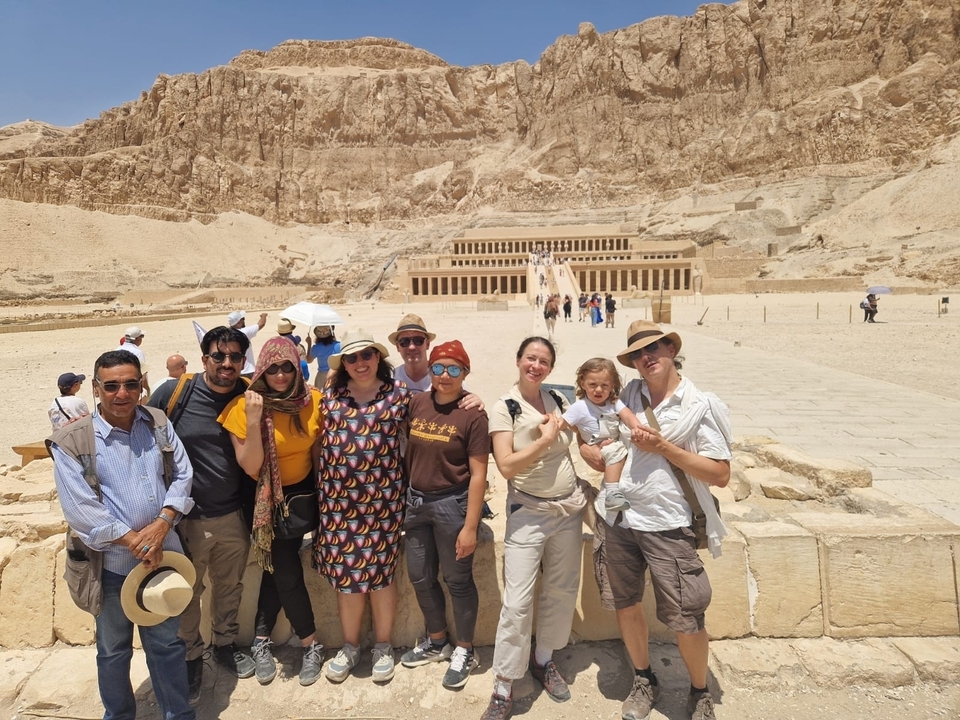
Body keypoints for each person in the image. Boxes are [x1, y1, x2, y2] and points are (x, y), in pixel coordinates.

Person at [582, 320, 731, 720]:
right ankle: (644, 678)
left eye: (653, 349)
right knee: (626, 603)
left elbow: (720, 474)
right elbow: (592, 421)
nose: (646, 358)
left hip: (667, 521)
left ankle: (699, 691)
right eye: (637, 354)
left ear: (671, 350)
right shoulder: (628, 394)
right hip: (618, 519)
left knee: (687, 616)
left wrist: (665, 447)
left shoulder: (699, 405)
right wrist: (585, 449)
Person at [50, 349, 196, 720]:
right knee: (113, 650)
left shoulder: (157, 422)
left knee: (167, 646)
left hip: (162, 560)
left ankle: (178, 715)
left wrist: (163, 523)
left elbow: (182, 474)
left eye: (131, 384)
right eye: (111, 385)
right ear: (95, 388)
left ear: (141, 386)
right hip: (111, 567)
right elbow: (81, 510)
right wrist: (138, 541)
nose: (122, 393)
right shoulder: (73, 441)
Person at [148, 327, 256, 703]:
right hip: (185, 519)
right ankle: (192, 656)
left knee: (230, 586)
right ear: (204, 358)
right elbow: (140, 437)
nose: (227, 363)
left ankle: (224, 643)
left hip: (234, 515)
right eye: (218, 356)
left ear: (243, 360)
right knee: (186, 592)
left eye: (235, 357)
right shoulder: (175, 393)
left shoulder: (250, 395)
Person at [481, 337, 587, 720]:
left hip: (568, 510)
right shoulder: (505, 407)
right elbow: (506, 466)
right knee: (517, 601)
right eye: (530, 358)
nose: (536, 366)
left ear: (551, 367)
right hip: (528, 511)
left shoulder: (558, 399)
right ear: (518, 360)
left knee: (561, 589)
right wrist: (544, 441)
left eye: (543, 361)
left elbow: (585, 434)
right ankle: (503, 684)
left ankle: (543, 659)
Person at [219, 337, 325, 686]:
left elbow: (317, 455)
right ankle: (310, 642)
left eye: (287, 367)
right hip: (264, 497)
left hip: (301, 498)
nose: (280, 375)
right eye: (272, 368)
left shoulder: (313, 401)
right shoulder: (243, 407)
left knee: (275, 568)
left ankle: (261, 638)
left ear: (297, 368)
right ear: (262, 370)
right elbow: (251, 465)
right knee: (286, 569)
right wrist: (253, 421)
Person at [314, 329, 411, 684]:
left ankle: (383, 646)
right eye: (352, 358)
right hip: (339, 507)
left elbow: (429, 423)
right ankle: (350, 646)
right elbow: (316, 444)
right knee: (347, 580)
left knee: (382, 577)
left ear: (378, 357)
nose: (360, 363)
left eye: (366, 355)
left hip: (384, 506)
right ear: (343, 364)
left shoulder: (400, 395)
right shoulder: (329, 397)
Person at [400, 340, 489, 690]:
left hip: (453, 505)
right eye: (438, 368)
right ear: (430, 371)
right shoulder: (418, 403)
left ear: (465, 373)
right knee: (420, 576)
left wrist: (470, 527)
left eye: (454, 369)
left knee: (458, 580)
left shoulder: (473, 415)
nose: (445, 375)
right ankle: (438, 642)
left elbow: (479, 474)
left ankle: (465, 649)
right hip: (416, 504)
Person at [558, 357, 640, 513]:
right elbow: (562, 423)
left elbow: (628, 415)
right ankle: (612, 493)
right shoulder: (580, 407)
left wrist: (637, 427)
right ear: (583, 383)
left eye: (604, 385)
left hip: (613, 443)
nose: (598, 390)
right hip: (598, 447)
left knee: (619, 451)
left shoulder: (614, 403)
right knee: (615, 451)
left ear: (612, 385)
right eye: (593, 385)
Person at [388, 313, 437, 392]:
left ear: (427, 344)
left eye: (418, 340)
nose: (411, 347)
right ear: (397, 347)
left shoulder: (442, 377)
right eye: (404, 342)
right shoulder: (390, 379)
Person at [228, 310, 268, 377]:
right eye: (243, 319)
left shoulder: (227, 334)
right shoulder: (244, 332)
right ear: (239, 322)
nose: (244, 321)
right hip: (248, 371)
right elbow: (261, 324)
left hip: (235, 371)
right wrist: (263, 315)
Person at [115, 327, 151, 400]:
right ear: (137, 339)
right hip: (133, 387)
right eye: (142, 336)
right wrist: (147, 390)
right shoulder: (138, 352)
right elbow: (143, 375)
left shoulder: (117, 350)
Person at [307, 325, 340, 389]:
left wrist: (309, 344)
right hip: (336, 374)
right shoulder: (339, 345)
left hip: (322, 376)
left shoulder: (317, 347)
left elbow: (309, 360)